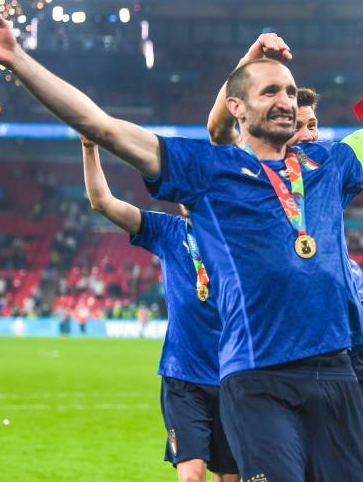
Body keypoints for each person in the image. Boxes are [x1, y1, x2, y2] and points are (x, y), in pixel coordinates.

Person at [0, 8, 363, 481]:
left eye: (289, 89)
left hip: (337, 370)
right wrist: (18, 59)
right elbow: (103, 126)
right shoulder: (205, 169)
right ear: (237, 106)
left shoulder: (327, 163)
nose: (285, 100)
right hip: (260, 375)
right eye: (270, 91)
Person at [206, 32, 363, 482]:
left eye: (315, 124)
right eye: (302, 125)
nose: (311, 134)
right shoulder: (245, 176)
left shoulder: (322, 177)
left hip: (345, 355)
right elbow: (218, 132)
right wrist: (247, 62)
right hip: (279, 360)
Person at [80, 136, 238, 482]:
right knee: (191, 475)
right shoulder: (167, 231)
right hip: (184, 377)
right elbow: (103, 202)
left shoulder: (240, 235)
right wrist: (90, 149)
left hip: (235, 375)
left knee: (229, 477)